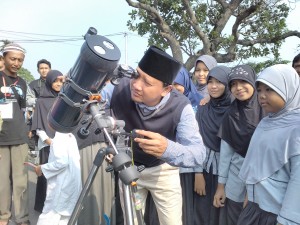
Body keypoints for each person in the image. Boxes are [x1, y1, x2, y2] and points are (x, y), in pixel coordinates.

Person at [101, 46, 206, 225]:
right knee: (131, 221)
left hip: (163, 170)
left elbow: (198, 154)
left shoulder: (181, 106)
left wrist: (167, 148)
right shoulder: (118, 88)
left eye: (147, 83)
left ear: (166, 90)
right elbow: (94, 109)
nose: (136, 85)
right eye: (136, 75)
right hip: (129, 167)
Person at [237, 64, 300, 225]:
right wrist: (249, 197)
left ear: (288, 89)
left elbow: (297, 181)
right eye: (259, 90)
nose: (262, 96)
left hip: (277, 215)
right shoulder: (265, 123)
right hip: (254, 208)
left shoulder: (296, 128)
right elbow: (254, 164)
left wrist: (287, 220)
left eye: (269, 89)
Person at [213, 65, 264, 225]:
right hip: (236, 182)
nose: (238, 88)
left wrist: (254, 189)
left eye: (243, 82)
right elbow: (226, 154)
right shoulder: (231, 115)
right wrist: (221, 187)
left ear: (253, 83)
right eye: (233, 84)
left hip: (261, 183)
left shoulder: (268, 111)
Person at [194, 66, 232, 225]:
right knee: (201, 212)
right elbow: (196, 141)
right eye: (210, 82)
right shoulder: (203, 109)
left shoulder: (234, 110)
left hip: (228, 172)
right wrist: (197, 173)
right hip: (204, 169)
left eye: (219, 82)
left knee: (221, 214)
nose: (214, 86)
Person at [0, 43, 30, 225]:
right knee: (1, 183)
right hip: (1, 139)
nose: (16, 63)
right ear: (3, 58)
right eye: (13, 59)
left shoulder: (23, 83)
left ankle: (22, 218)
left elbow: (22, 109)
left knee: (21, 183)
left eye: (20, 60)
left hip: (19, 137)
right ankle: (3, 217)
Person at [31, 70, 64, 212]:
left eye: (61, 81)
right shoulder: (41, 101)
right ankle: (44, 207)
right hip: (47, 144)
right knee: (46, 175)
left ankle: (59, 206)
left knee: (61, 177)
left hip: (63, 144)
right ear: (49, 82)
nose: (58, 84)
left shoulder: (65, 100)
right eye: (55, 81)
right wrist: (48, 140)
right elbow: (38, 126)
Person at [35, 131, 82, 225]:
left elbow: (62, 162)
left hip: (60, 187)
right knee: (68, 218)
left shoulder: (59, 138)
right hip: (72, 185)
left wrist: (42, 168)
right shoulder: (70, 136)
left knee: (48, 217)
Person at [26, 59, 51, 152]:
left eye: (46, 68)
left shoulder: (56, 83)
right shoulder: (33, 84)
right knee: (38, 140)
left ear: (50, 69)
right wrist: (40, 101)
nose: (44, 70)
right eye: (41, 68)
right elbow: (28, 100)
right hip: (38, 115)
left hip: (53, 116)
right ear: (38, 70)